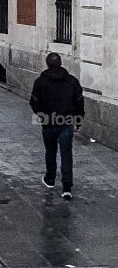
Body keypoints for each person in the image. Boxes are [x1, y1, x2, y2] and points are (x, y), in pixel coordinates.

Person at [30, 51, 84, 199]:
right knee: (66, 153)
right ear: (60, 64)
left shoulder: (40, 81)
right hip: (66, 122)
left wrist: (41, 115)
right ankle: (67, 187)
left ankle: (50, 179)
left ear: (47, 64)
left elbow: (34, 102)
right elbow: (79, 101)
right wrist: (78, 121)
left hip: (48, 122)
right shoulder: (72, 81)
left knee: (50, 151)